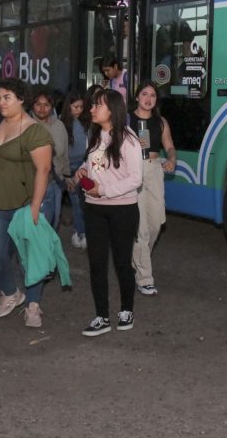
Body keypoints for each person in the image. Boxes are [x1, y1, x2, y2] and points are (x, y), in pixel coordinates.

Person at [0, 78, 54, 328]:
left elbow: (43, 170)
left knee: (30, 257)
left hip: (24, 203)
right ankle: (11, 292)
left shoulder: (35, 131)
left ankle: (33, 305)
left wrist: (35, 206)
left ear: (21, 99)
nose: (1, 103)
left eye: (7, 97)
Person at [74, 89, 143, 337]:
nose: (91, 109)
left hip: (123, 210)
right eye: (92, 105)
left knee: (122, 263)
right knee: (97, 264)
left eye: (97, 105)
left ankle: (126, 310)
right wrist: (83, 170)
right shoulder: (94, 135)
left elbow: (135, 179)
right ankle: (101, 316)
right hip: (94, 209)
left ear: (112, 110)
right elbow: (93, 163)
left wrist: (103, 190)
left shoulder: (129, 139)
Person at [128, 81, 177, 296]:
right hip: (134, 171)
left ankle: (137, 259)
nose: (148, 99)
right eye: (144, 94)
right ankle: (144, 278)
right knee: (142, 229)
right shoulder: (126, 120)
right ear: (137, 97)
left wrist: (172, 159)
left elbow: (170, 147)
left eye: (153, 95)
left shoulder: (161, 122)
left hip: (155, 170)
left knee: (156, 223)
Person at [31, 88, 69, 231]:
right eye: (38, 104)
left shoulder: (59, 125)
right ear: (32, 105)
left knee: (54, 222)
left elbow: (64, 154)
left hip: (56, 182)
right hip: (34, 184)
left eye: (46, 105)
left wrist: (67, 176)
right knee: (38, 226)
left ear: (52, 107)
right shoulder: (28, 125)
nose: (42, 108)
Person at [60, 92, 89, 249]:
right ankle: (80, 233)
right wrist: (66, 175)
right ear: (68, 107)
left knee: (85, 201)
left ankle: (82, 231)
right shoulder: (61, 124)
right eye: (75, 107)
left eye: (81, 107)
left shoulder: (86, 123)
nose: (78, 110)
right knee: (76, 202)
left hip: (84, 167)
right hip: (68, 169)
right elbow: (59, 152)